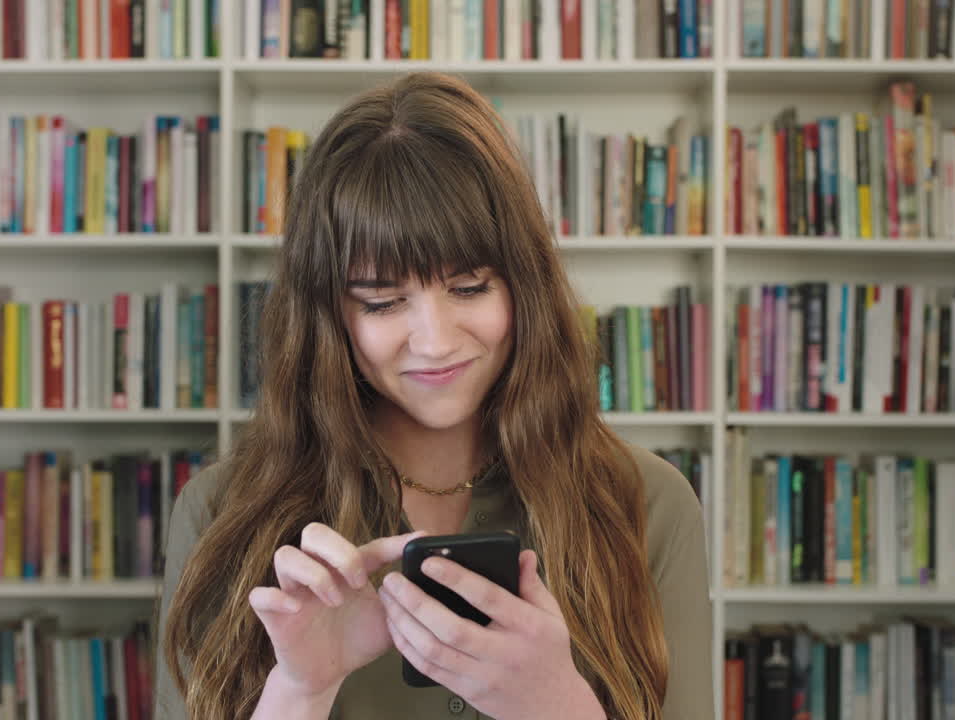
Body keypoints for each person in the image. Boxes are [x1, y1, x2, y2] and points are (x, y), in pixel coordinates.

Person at [155, 70, 712, 720]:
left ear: (523, 286)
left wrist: (559, 706)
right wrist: (300, 691)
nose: (437, 341)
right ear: (329, 314)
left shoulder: (646, 503)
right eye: (383, 301)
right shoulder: (220, 514)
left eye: (469, 288)